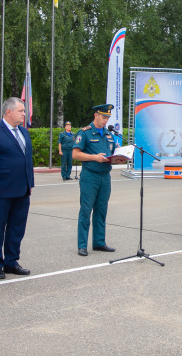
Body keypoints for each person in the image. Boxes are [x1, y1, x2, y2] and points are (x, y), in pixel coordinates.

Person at [0, 97, 34, 279]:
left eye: (24, 111)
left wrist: (29, 183)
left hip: (21, 189)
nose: (24, 114)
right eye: (21, 111)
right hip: (0, 191)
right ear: (8, 112)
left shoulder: (24, 133)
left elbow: (27, 160)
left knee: (17, 228)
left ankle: (11, 261)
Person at [73, 104, 118, 256]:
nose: (106, 120)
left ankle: (99, 242)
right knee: (86, 210)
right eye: (104, 117)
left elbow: (110, 153)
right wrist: (94, 157)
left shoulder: (109, 134)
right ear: (96, 116)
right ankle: (82, 245)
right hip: (90, 176)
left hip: (105, 176)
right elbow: (75, 154)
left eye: (108, 118)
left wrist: (117, 158)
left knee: (101, 210)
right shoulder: (84, 133)